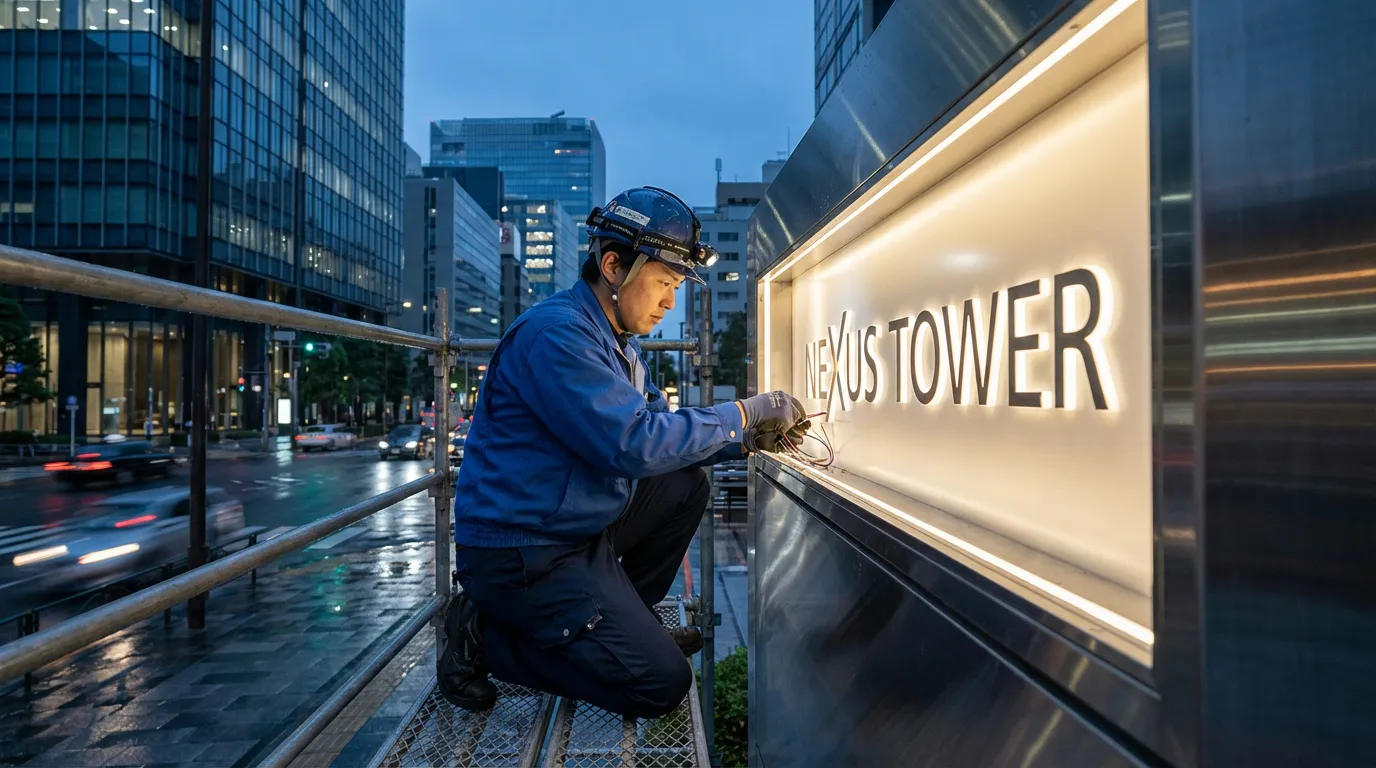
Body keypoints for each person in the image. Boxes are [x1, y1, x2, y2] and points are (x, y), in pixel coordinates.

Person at [438, 186, 808, 719]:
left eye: (675, 286)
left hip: (570, 527)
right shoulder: (558, 337)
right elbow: (632, 442)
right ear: (613, 265)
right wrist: (745, 413)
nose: (668, 301)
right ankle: (482, 635)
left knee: (684, 485)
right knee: (659, 684)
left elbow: (662, 429)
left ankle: (619, 625)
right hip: (521, 552)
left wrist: (745, 442)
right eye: (662, 282)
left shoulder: (618, 343)